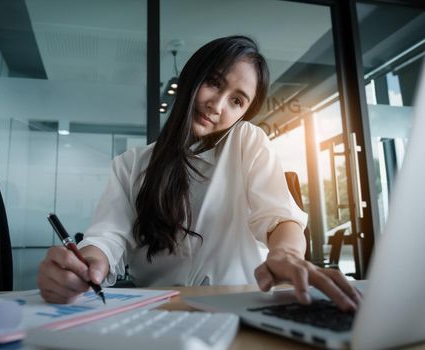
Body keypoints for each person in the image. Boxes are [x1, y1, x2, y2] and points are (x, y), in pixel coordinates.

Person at [37, 35, 361, 311]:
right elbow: (107, 238)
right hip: (161, 312)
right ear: (192, 77)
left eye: (236, 100)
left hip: (243, 306)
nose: (217, 105)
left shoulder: (246, 140)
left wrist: (287, 254)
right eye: (214, 83)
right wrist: (84, 266)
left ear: (244, 112)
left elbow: (279, 217)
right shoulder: (130, 165)